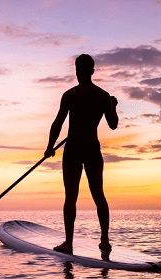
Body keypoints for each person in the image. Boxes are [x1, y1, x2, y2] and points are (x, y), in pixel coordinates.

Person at [44, 54, 119, 255]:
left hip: (74, 149)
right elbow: (113, 124)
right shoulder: (103, 96)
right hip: (91, 149)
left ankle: (69, 242)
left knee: (71, 197)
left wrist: (50, 146)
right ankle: (104, 240)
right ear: (92, 71)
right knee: (98, 195)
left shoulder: (70, 95)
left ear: (78, 71)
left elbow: (58, 123)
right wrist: (112, 106)